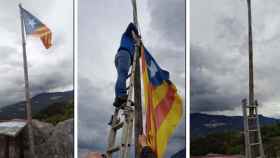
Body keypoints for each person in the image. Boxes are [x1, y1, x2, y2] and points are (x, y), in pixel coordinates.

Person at [113, 23, 140, 108]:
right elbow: (131, 25)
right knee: (123, 75)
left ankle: (118, 99)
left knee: (121, 76)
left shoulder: (133, 45)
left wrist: (139, 44)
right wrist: (137, 36)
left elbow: (137, 55)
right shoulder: (127, 35)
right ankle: (121, 95)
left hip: (121, 55)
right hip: (124, 53)